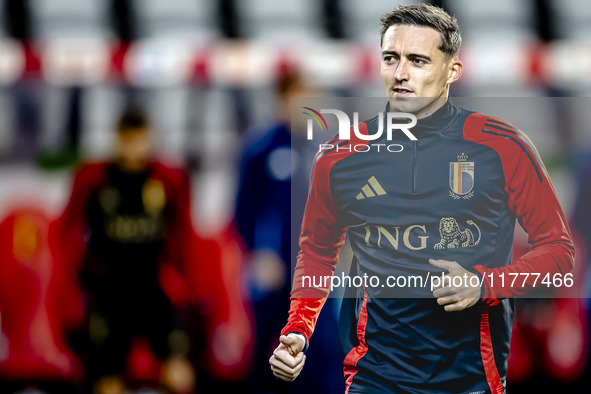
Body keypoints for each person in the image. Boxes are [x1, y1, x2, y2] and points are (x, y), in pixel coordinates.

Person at [269, 4, 575, 394]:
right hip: (373, 377)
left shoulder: (502, 148)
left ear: (452, 71)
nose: (400, 73)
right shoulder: (341, 157)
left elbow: (558, 251)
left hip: (469, 380)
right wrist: (298, 329)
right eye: (391, 58)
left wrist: (485, 284)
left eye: (417, 60)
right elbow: (317, 254)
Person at [54, 108, 238, 394]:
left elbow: (185, 235)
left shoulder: (167, 178)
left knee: (179, 372)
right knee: (107, 380)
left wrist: (195, 286)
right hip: (109, 291)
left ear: (149, 139)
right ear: (117, 140)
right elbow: (69, 233)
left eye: (139, 140)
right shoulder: (94, 179)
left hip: (153, 287)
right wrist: (70, 289)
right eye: (127, 140)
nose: (133, 149)